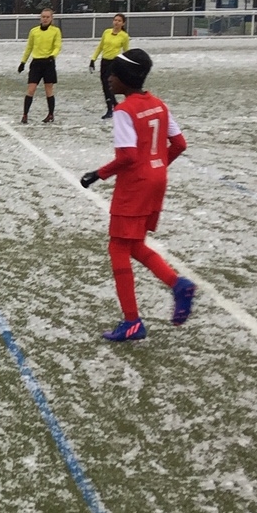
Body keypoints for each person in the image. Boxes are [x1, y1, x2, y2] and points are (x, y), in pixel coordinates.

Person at [78, 48, 196, 341]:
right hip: (157, 180)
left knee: (118, 247)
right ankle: (178, 285)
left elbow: (128, 156)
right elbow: (179, 144)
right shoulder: (158, 104)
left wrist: (97, 174)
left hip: (135, 185)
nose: (109, 79)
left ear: (125, 79)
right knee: (134, 244)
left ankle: (132, 321)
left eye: (113, 75)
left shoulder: (124, 111)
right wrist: (156, 165)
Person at [19, 8, 61, 124]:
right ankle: (25, 115)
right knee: (31, 89)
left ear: (51, 18)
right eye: (43, 17)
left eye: (47, 17)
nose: (45, 19)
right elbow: (29, 47)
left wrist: (52, 56)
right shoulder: (34, 31)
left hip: (49, 63)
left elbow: (57, 46)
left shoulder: (55, 31)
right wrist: (23, 62)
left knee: (49, 90)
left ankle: (50, 114)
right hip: (36, 64)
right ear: (40, 18)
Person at [88, 13, 129, 119]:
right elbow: (100, 47)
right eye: (115, 20)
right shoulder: (106, 32)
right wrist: (93, 59)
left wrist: (126, 64)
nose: (116, 22)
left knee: (109, 85)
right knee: (104, 85)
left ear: (123, 23)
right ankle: (114, 104)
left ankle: (110, 109)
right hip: (104, 61)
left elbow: (126, 51)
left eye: (119, 21)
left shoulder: (124, 36)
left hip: (114, 62)